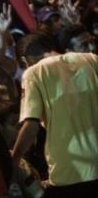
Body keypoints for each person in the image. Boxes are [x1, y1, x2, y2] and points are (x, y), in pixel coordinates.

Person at [12, 33, 98, 198]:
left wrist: (14, 160)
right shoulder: (92, 59)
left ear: (24, 60)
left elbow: (31, 125)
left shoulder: (33, 73)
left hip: (70, 171)